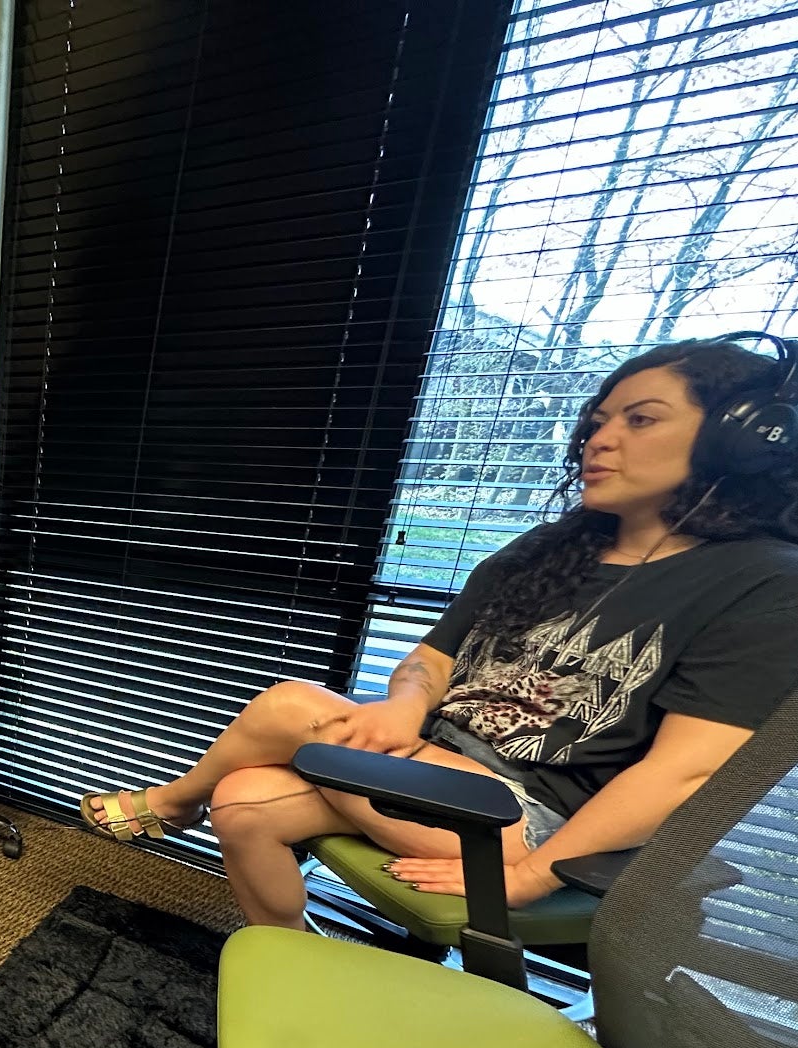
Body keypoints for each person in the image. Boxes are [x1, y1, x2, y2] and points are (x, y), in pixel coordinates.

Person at [81, 336, 798, 929]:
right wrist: (402, 707)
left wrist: (529, 875)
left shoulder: (764, 581)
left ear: (740, 442)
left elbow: (686, 771)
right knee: (240, 801)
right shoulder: (549, 548)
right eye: (597, 420)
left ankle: (172, 803)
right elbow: (430, 660)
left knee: (289, 708)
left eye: (638, 421)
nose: (597, 440)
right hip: (436, 769)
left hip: (529, 818)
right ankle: (294, 959)